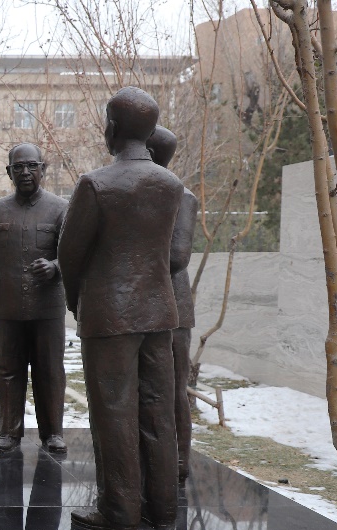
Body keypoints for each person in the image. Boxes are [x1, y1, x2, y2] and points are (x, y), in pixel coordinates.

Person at [57, 87, 183, 530]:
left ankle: (120, 511)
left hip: (110, 314)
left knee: (113, 412)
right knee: (158, 412)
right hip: (159, 312)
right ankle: (163, 509)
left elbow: (69, 253)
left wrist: (76, 300)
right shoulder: (171, 185)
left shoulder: (96, 184)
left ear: (112, 127)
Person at [0, 143, 69, 455]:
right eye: (18, 167)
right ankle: (8, 432)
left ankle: (53, 433)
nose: (25, 172)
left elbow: (74, 255)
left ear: (43, 169)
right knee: (7, 372)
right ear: (9, 172)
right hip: (7, 308)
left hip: (47, 309)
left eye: (32, 166)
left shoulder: (60, 209)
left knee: (50, 372)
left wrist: (55, 266)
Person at [148, 125, 199, 482]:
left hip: (173, 305)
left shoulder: (182, 196)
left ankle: (180, 459)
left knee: (174, 387)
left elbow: (178, 256)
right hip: (140, 305)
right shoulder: (138, 191)